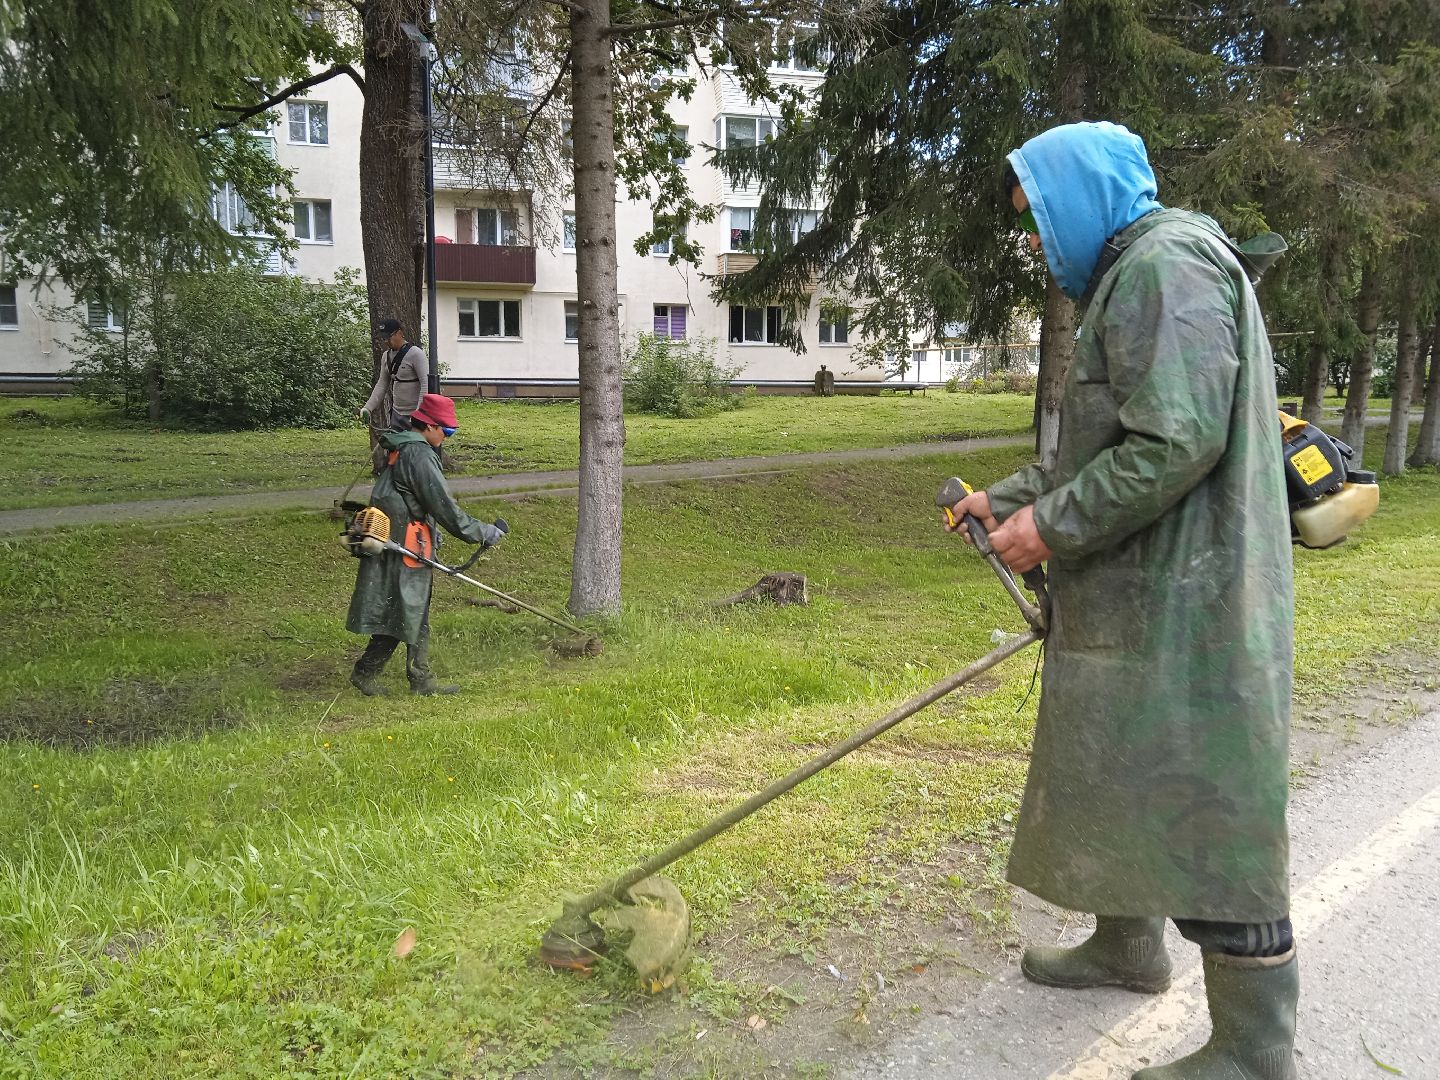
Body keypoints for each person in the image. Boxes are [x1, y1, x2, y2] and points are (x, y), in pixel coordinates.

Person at [946, 121, 1297, 1079]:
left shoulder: (1164, 265)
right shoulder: (1138, 268)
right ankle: (1127, 946)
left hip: (1194, 608)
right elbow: (1106, 444)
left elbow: (1174, 444)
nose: (1032, 241)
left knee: (1203, 803)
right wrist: (1008, 501)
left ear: (1080, 196)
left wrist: (1050, 528)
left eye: (1037, 217)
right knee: (1117, 766)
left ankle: (1256, 1052)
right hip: (1147, 595)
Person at [348, 393, 509, 697]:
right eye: (446, 431)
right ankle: (418, 679)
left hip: (393, 539)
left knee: (400, 608)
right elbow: (443, 506)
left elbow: (405, 497)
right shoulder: (419, 454)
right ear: (430, 426)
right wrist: (482, 532)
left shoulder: (401, 445)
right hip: (402, 545)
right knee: (412, 609)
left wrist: (429, 531)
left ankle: (367, 672)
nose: (447, 438)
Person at [361, 319, 427, 470]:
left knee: (414, 455)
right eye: (383, 338)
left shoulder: (416, 354)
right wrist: (367, 408)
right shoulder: (386, 357)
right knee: (395, 454)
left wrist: (419, 415)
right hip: (397, 414)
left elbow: (426, 384)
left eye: (388, 337)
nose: (386, 342)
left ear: (399, 333)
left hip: (415, 416)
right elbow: (381, 385)